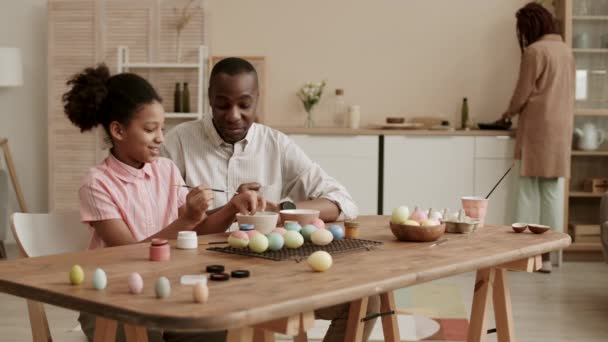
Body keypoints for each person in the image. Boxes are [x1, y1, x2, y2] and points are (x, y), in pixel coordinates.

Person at [162, 57, 379, 342]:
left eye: (244, 104)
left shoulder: (275, 144)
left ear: (258, 100)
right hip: (202, 280)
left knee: (365, 304)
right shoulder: (178, 143)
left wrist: (283, 210)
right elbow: (165, 229)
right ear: (209, 101)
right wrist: (227, 209)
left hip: (270, 278)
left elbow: (343, 202)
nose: (234, 115)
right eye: (223, 104)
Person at [63, 64, 262, 342]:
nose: (160, 138)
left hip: (165, 290)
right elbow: (129, 254)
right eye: (149, 129)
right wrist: (186, 220)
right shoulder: (97, 184)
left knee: (228, 328)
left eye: (162, 128)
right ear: (118, 131)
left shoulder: (165, 169)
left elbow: (199, 229)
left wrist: (232, 206)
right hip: (111, 300)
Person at [498, 2, 574, 273]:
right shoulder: (565, 51)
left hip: (538, 129)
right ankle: (549, 256)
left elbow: (522, 93)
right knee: (552, 194)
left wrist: (506, 114)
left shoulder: (535, 51)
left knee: (528, 193)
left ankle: (528, 256)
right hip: (561, 130)